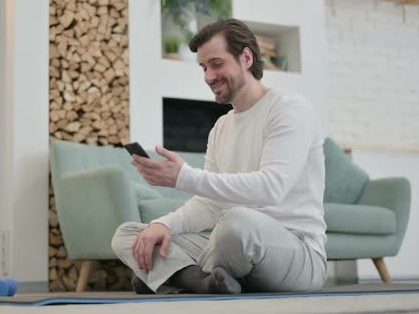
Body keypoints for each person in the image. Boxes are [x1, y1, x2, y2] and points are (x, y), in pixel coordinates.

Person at [111, 19, 327, 294]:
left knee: (237, 223)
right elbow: (210, 205)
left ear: (246, 58)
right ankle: (205, 282)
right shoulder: (221, 127)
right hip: (233, 247)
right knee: (130, 235)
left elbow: (271, 188)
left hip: (297, 252)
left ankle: (175, 278)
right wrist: (163, 224)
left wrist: (183, 177)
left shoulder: (289, 109)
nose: (209, 77)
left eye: (216, 64)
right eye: (203, 67)